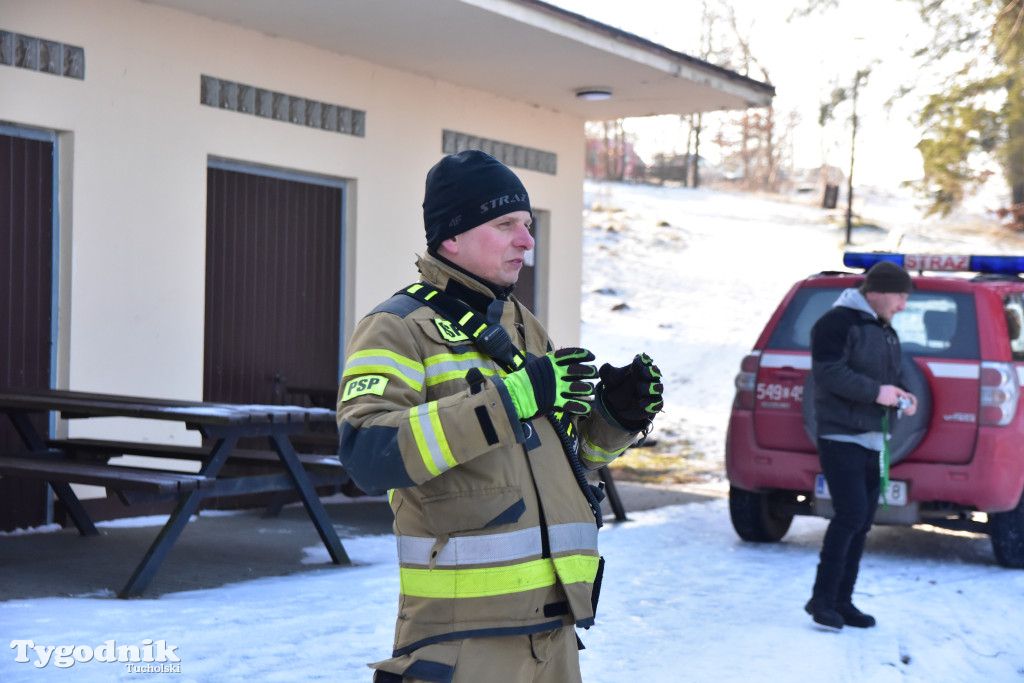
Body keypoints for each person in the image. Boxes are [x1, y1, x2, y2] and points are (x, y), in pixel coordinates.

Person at [336, 150, 663, 682]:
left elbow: (570, 460)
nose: (526, 241)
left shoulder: (524, 327)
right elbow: (368, 454)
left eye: (528, 225)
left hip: (555, 636)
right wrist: (508, 401)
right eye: (506, 224)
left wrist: (613, 418)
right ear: (451, 236)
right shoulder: (396, 328)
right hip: (464, 643)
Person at [805, 260, 918, 630]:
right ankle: (821, 600)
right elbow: (828, 372)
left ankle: (843, 601)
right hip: (840, 436)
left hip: (873, 439)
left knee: (863, 521)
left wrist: (904, 396)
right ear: (880, 291)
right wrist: (877, 393)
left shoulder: (885, 330)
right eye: (901, 296)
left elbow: (892, 378)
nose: (903, 305)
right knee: (850, 514)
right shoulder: (836, 323)